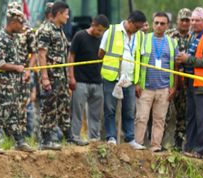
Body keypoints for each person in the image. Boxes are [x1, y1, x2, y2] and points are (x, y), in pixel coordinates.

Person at [175, 7, 203, 158]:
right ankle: (190, 148)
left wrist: (188, 59)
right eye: (192, 20)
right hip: (192, 83)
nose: (193, 23)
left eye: (196, 20)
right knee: (191, 118)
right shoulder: (194, 36)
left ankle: (201, 151)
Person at [0, 7, 34, 153]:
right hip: (4, 84)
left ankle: (19, 141)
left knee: (15, 112)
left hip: (14, 84)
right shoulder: (1, 38)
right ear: (13, 22)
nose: (22, 27)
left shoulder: (13, 37)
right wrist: (17, 67)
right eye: (21, 24)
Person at [99, 10, 146, 146]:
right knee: (110, 109)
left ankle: (130, 138)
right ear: (129, 22)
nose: (137, 30)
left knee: (129, 110)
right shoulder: (111, 31)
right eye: (136, 27)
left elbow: (139, 58)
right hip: (111, 77)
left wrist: (138, 82)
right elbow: (101, 52)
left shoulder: (140, 36)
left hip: (130, 80)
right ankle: (111, 138)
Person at [134, 12, 177, 152]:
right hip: (146, 87)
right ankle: (138, 144)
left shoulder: (172, 43)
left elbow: (176, 66)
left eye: (162, 23)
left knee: (159, 119)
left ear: (167, 26)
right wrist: (137, 83)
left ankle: (155, 146)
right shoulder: (143, 39)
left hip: (164, 88)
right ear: (152, 24)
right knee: (141, 117)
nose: (159, 26)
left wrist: (174, 87)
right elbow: (137, 62)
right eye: (156, 23)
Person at [37, 1, 75, 149]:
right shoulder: (45, 30)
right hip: (51, 77)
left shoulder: (59, 29)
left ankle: (69, 137)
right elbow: (41, 55)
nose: (68, 17)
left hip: (62, 78)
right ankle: (46, 140)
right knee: (49, 107)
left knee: (64, 106)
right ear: (58, 14)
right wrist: (45, 78)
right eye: (66, 14)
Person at [68, 14, 108, 144]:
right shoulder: (80, 36)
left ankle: (94, 138)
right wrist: (71, 77)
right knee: (78, 112)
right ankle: (75, 136)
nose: (100, 33)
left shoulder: (101, 40)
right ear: (93, 25)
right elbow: (71, 57)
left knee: (95, 114)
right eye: (99, 30)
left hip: (97, 81)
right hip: (80, 81)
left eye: (103, 31)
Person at [165, 8, 191, 151]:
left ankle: (178, 145)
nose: (185, 23)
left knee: (183, 115)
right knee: (164, 114)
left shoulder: (193, 37)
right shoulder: (168, 35)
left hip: (186, 82)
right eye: (183, 20)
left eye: (188, 20)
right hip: (169, 79)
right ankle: (158, 144)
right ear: (177, 21)